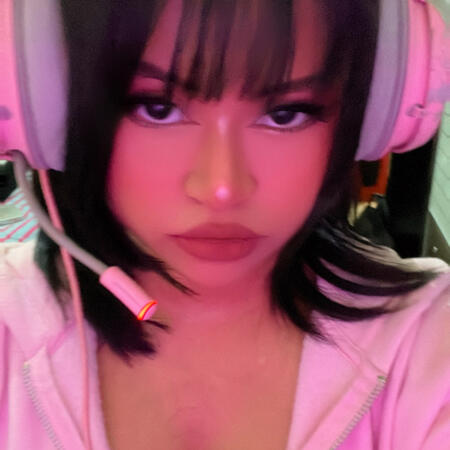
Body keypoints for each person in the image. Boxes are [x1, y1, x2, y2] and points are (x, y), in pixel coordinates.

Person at [1, 0, 449, 449]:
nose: (222, 189)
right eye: (156, 108)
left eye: (286, 113)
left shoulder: (428, 339)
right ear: (47, 108)